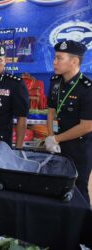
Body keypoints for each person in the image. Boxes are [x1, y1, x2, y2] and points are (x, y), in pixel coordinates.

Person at [45, 40, 92, 203]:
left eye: (59, 58)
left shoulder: (87, 88)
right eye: (55, 58)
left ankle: (83, 227)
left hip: (78, 149)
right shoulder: (55, 82)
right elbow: (51, 111)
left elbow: (87, 126)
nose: (54, 62)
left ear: (74, 61)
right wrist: (50, 136)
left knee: (78, 190)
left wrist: (56, 139)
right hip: (57, 146)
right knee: (56, 186)